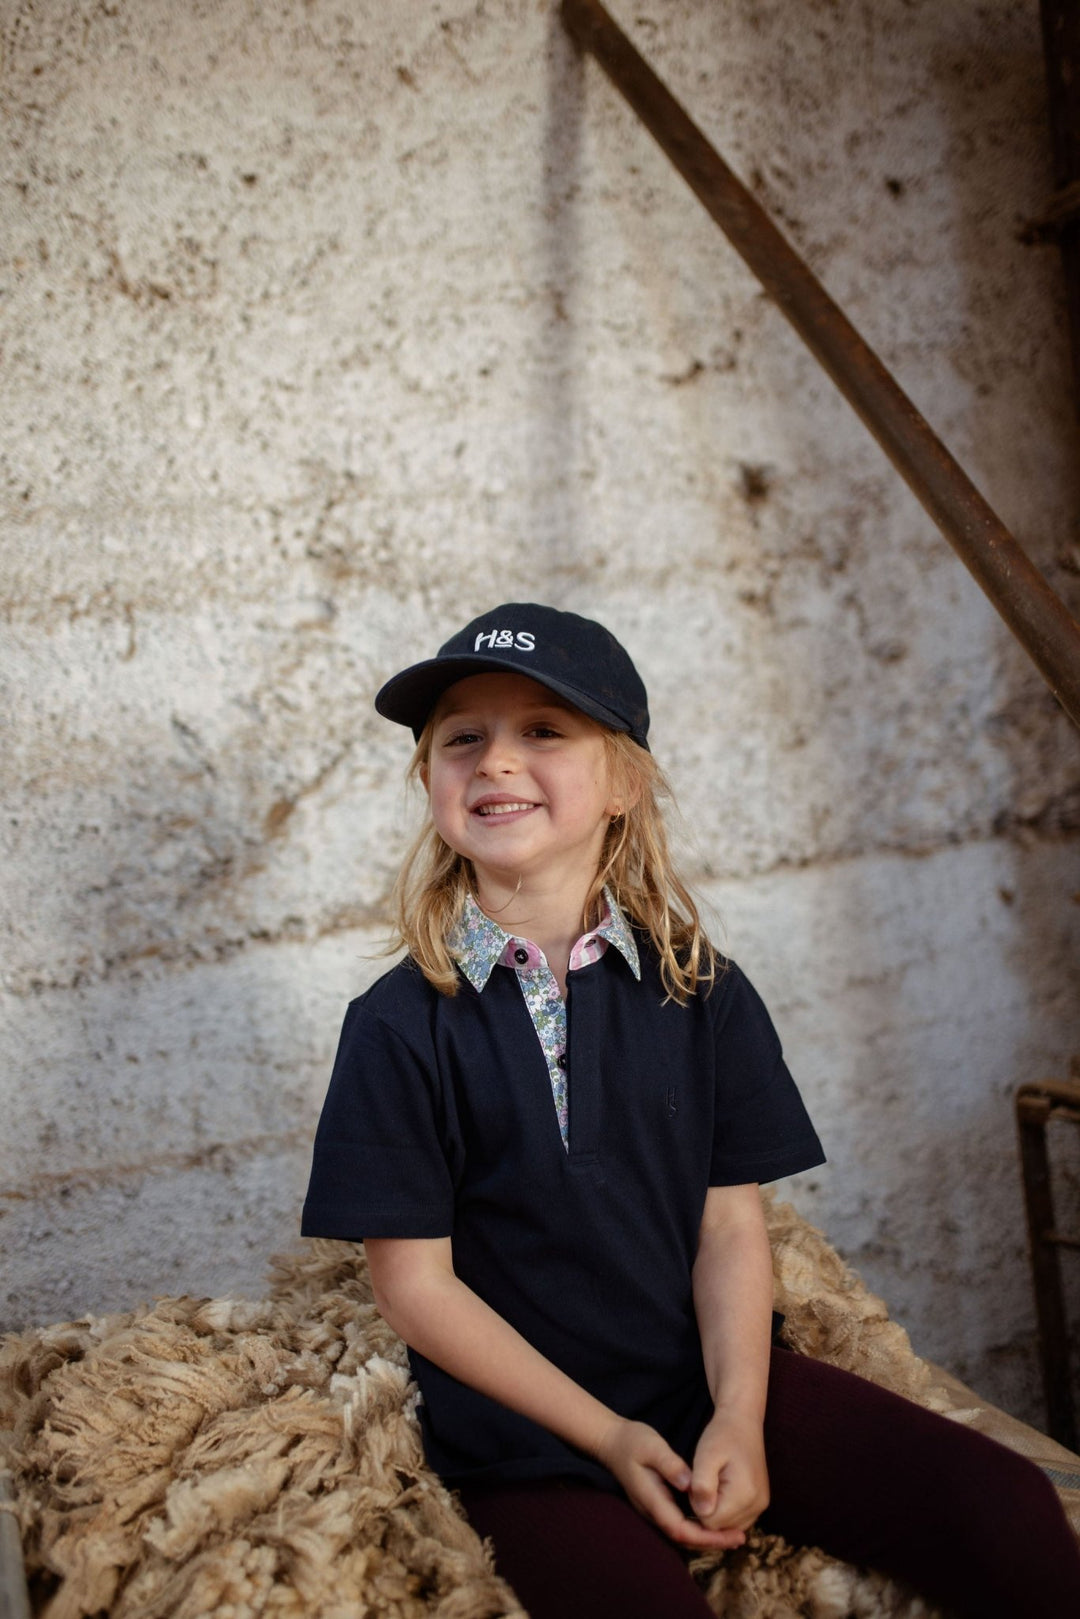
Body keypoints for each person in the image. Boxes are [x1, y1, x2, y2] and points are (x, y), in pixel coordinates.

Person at [302, 602, 1080, 1619]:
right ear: (431, 782)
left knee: (1002, 1503)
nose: (496, 760)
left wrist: (743, 1420)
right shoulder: (400, 1023)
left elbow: (727, 1224)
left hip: (703, 1376)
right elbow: (415, 1286)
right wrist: (608, 1436)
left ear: (624, 780)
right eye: (463, 736)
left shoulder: (702, 991)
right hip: (525, 1436)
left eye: (543, 729)